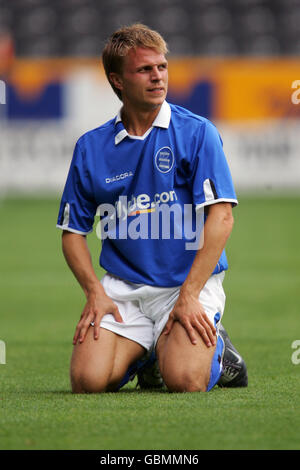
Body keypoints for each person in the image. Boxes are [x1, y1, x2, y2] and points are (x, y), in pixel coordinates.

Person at [57, 23, 247, 394]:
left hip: (186, 286)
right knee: (87, 382)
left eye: (161, 67)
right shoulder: (91, 147)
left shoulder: (197, 132)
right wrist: (94, 292)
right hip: (123, 290)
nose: (158, 76)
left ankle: (221, 356)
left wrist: (190, 295)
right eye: (144, 69)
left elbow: (222, 217)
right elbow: (72, 234)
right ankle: (150, 356)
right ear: (117, 81)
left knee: (186, 380)